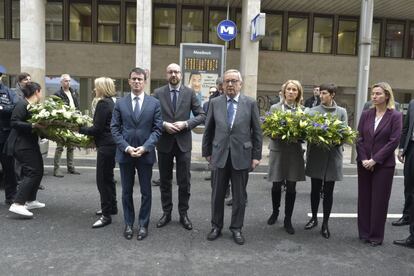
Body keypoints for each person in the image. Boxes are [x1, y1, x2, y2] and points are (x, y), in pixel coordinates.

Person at [202, 69, 262, 245]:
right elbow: (209, 129)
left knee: (239, 196)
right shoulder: (215, 103)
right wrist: (206, 152)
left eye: (234, 81)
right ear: (222, 84)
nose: (230, 84)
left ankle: (236, 228)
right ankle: (216, 226)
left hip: (242, 155)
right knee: (217, 194)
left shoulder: (250, 103)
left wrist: (256, 156)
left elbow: (257, 132)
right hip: (219, 155)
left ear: (240, 84)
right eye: (227, 81)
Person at [111, 67, 162, 240]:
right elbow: (114, 129)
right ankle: (128, 224)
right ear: (129, 81)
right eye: (134, 79)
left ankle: (143, 225)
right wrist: (126, 147)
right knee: (126, 192)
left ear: (145, 81)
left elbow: (157, 129)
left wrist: (146, 147)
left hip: (145, 154)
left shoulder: (154, 103)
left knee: (146, 192)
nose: (137, 82)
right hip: (126, 154)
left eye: (140, 79)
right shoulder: (120, 103)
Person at [153, 63, 206, 231]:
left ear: (181, 75)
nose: (173, 74)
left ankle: (184, 214)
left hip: (183, 143)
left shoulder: (189, 93)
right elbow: (151, 115)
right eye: (170, 72)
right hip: (164, 143)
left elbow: (202, 115)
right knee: (165, 181)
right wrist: (163, 125)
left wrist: (186, 123)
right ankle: (166, 213)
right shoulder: (158, 93)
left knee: (184, 181)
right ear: (166, 74)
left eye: (176, 72)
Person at [356, 82, 402, 246]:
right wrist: (364, 159)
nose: (374, 97)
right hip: (364, 163)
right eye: (373, 94)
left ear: (387, 96)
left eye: (378, 94)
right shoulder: (367, 114)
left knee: (379, 201)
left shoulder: (395, 116)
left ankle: (376, 236)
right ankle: (364, 232)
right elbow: (359, 138)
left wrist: (375, 160)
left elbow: (393, 141)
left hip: (383, 165)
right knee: (364, 198)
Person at [304, 83, 348, 239]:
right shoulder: (312, 111)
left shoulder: (341, 112)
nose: (321, 96)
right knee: (315, 189)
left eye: (324, 93)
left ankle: (325, 224)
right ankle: (314, 218)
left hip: (332, 155)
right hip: (316, 155)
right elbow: (307, 133)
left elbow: (344, 133)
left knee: (328, 192)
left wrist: (336, 139)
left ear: (332, 95)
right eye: (320, 93)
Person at [266, 80, 306, 235]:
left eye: (294, 90)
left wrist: (300, 135)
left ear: (298, 93)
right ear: (284, 92)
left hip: (294, 152)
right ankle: (275, 212)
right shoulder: (275, 108)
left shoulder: (303, 110)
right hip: (278, 150)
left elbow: (306, 133)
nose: (291, 92)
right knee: (276, 185)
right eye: (288, 89)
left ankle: (288, 219)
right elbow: (268, 129)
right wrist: (274, 133)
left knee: (291, 186)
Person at [79, 77, 118, 228]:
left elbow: (96, 129)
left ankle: (106, 215)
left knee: (102, 180)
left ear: (102, 88)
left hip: (106, 146)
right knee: (109, 178)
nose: (94, 90)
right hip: (111, 145)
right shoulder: (111, 102)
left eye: (96, 87)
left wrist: (79, 129)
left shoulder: (102, 104)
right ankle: (112, 207)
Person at [6, 82, 45, 218]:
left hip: (30, 143)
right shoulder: (22, 104)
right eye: (40, 91)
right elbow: (14, 122)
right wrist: (33, 125)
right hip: (21, 144)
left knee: (39, 170)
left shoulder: (33, 106)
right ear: (36, 92)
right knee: (32, 172)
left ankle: (30, 200)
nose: (41, 94)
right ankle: (18, 204)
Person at [394, 99, 414, 248]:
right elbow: (406, 128)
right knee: (409, 185)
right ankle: (407, 215)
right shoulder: (413, 103)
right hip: (412, 148)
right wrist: (402, 148)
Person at [53, 74, 80, 177]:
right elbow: (56, 110)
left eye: (69, 81)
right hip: (62, 123)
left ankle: (71, 167)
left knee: (71, 146)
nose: (67, 83)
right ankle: (56, 169)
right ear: (61, 82)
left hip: (72, 122)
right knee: (60, 146)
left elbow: (76, 106)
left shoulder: (73, 92)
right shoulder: (57, 94)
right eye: (65, 81)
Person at [0, 67, 19, 205]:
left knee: (9, 168)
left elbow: (16, 106)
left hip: (5, 136)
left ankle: (11, 196)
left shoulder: (8, 91)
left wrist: (1, 109)